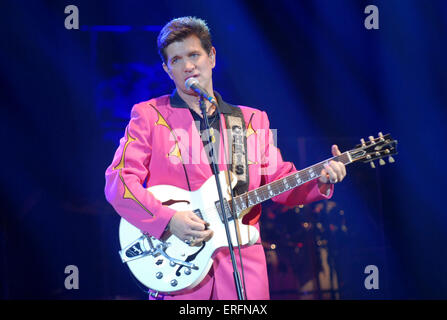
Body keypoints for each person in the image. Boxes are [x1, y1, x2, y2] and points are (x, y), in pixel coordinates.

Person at [104, 16, 347, 300]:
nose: (188, 66)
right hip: (181, 269)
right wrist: (168, 220)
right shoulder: (149, 115)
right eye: (177, 60)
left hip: (244, 272)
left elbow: (280, 181)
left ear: (212, 57)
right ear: (167, 69)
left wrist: (320, 179)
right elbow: (118, 183)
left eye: (194, 54)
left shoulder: (252, 120)